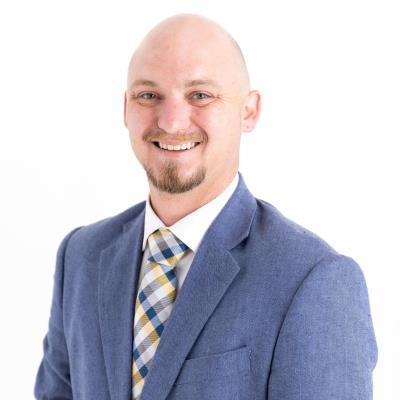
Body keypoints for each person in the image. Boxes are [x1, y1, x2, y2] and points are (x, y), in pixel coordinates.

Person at [34, 13, 377, 400]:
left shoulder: (313, 279)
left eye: (200, 95)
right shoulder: (81, 257)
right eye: (149, 95)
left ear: (248, 111)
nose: (171, 121)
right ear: (125, 108)